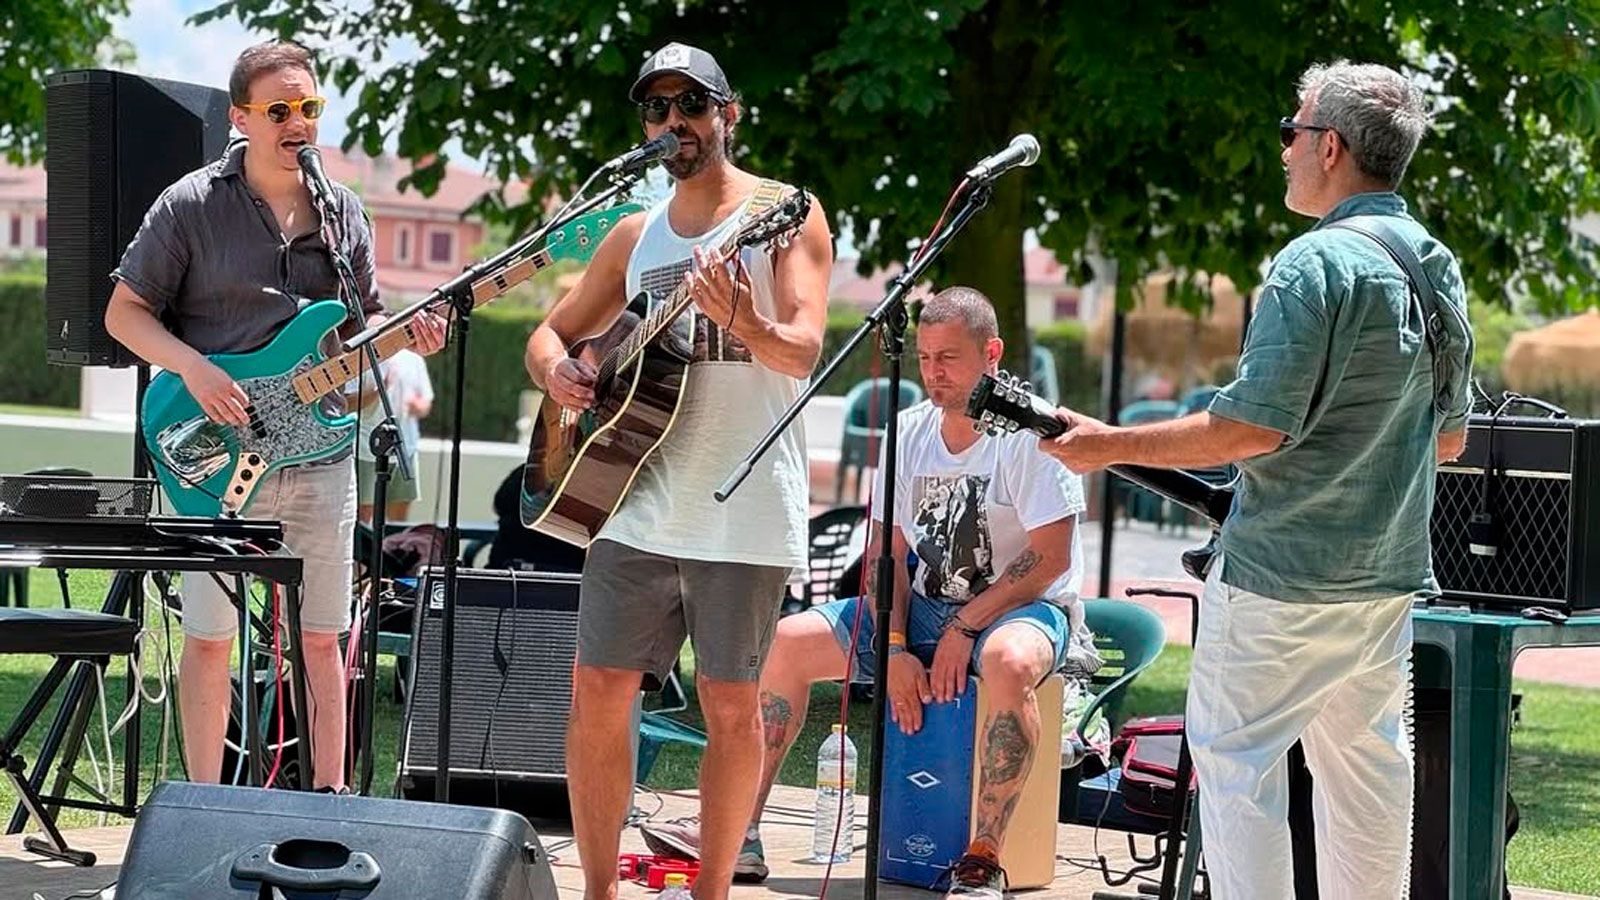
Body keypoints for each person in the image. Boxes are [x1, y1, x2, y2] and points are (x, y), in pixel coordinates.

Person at [1039, 60, 1474, 900]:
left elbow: (1248, 429)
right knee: (1368, 776)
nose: (1283, 151)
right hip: (1382, 579)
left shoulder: (1311, 267)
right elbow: (1448, 440)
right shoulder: (1435, 265)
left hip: (1278, 579)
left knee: (1237, 771)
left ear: (1332, 147)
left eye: (1292, 132)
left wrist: (1105, 445)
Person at [641, 287, 1102, 900]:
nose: (934, 374)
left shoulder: (1031, 430)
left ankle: (983, 858)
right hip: (922, 608)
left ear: (992, 353)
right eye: (926, 358)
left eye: (950, 359)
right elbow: (886, 555)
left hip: (1019, 612)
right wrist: (894, 645)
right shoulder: (908, 431)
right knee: (786, 643)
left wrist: (964, 630)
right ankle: (740, 836)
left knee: (1007, 661)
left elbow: (1052, 556)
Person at [524, 42, 833, 900]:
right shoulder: (635, 234)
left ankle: (713, 890)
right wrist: (558, 371)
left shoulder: (787, 213)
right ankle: (596, 890)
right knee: (595, 694)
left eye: (691, 106)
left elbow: (805, 347)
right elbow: (547, 334)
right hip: (630, 497)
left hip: (741, 510)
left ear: (728, 116)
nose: (673, 124)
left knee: (730, 705)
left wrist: (747, 319)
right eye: (657, 109)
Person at [104, 40, 447, 792]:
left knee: (324, 640)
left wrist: (405, 337)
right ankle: (198, 805)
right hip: (212, 450)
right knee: (209, 639)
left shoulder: (342, 209)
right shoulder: (190, 203)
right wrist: (192, 368)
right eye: (280, 110)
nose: (299, 123)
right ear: (241, 118)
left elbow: (365, 325)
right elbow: (124, 313)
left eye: (310, 109)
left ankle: (329, 802)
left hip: (319, 454)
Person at [355, 347, 434, 524]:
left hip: (406, 448)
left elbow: (425, 404)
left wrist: (416, 406)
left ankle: (391, 552)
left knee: (399, 519)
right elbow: (350, 403)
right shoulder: (364, 357)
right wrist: (380, 390)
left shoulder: (415, 360)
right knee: (363, 518)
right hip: (366, 449)